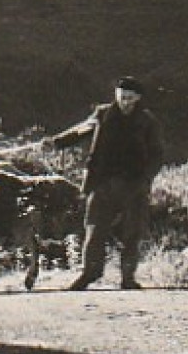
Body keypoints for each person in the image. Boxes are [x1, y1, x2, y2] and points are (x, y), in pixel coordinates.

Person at [43, 76, 165, 290]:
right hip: (102, 183)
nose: (124, 102)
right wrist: (55, 143)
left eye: (129, 98)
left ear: (138, 98)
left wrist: (146, 179)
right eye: (121, 97)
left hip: (133, 185)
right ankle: (89, 274)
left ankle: (128, 278)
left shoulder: (148, 121)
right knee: (94, 229)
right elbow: (79, 131)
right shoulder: (102, 115)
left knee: (132, 231)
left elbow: (157, 154)